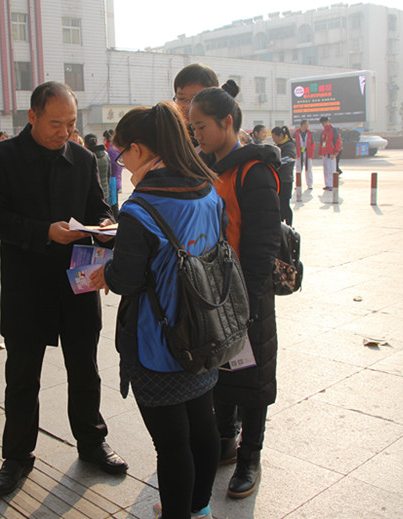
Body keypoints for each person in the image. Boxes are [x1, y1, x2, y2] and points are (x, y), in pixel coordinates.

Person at [0, 82, 126, 497]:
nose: (64, 132)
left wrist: (105, 225)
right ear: (32, 117)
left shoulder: (82, 158)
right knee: (22, 376)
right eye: (55, 124)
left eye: (71, 124)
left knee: (85, 369)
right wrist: (45, 231)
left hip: (78, 281)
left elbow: (98, 206)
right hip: (26, 286)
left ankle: (92, 441)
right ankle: (17, 457)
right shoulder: (0, 158)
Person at [89, 102, 221, 519]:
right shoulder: (206, 189)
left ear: (139, 149)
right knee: (203, 426)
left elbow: (127, 281)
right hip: (205, 327)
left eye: (122, 153)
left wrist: (107, 271)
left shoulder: (140, 207)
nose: (122, 162)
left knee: (172, 444)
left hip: (158, 341)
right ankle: (200, 508)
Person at [190, 82, 281, 500]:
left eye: (202, 126)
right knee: (221, 372)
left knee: (253, 380)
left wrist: (248, 302)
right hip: (214, 291)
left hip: (247, 295)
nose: (197, 135)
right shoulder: (209, 168)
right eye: (193, 127)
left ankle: (250, 457)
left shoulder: (254, 171)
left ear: (226, 122)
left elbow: (263, 244)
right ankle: (225, 440)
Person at [271, 126, 295, 225]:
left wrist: (273, 163)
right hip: (279, 179)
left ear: (281, 136)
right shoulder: (279, 146)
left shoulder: (289, 145)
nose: (273, 139)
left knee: (285, 204)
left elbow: (289, 159)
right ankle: (280, 225)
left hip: (286, 179)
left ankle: (289, 226)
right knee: (279, 204)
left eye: (274, 137)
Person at [84, 133, 114, 212]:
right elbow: (109, 174)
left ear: (85, 144)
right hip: (105, 192)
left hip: (91, 194)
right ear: (96, 142)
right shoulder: (106, 155)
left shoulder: (86, 157)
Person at [319, 116, 341, 191]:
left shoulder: (333, 130)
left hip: (332, 153)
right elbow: (321, 143)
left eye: (324, 123)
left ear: (327, 122)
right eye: (322, 123)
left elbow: (337, 141)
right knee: (326, 170)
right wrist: (320, 152)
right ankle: (327, 184)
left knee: (332, 169)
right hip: (325, 153)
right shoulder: (323, 132)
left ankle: (332, 184)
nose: (323, 125)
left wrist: (336, 151)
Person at [105, 129, 122, 216]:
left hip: (113, 179)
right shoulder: (116, 149)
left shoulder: (111, 150)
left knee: (113, 206)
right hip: (116, 179)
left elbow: (113, 166)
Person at [293, 120, 315, 189]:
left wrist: (311, 153)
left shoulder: (310, 133)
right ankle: (298, 184)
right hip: (299, 153)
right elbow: (293, 143)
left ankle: (310, 184)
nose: (307, 126)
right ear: (302, 125)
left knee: (309, 169)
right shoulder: (296, 133)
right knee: (298, 169)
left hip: (307, 152)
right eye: (306, 124)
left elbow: (312, 144)